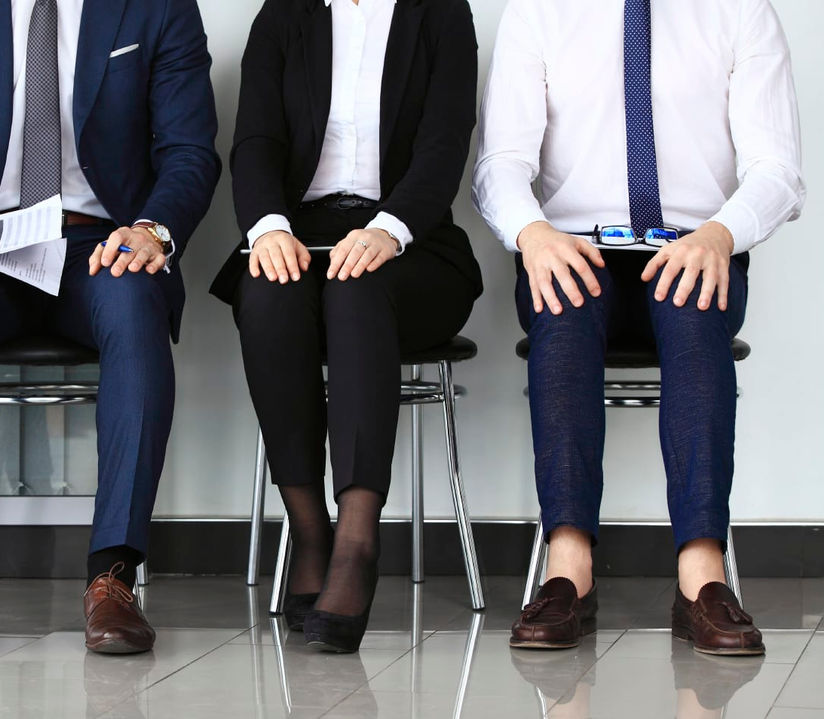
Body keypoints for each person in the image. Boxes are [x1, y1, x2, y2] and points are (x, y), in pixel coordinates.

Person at [0, 0, 220, 656]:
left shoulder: (158, 8)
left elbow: (189, 152)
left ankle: (113, 577)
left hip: (99, 241)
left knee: (134, 301)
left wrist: (150, 230)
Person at [473, 0, 805, 655]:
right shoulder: (538, 11)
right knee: (563, 315)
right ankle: (567, 568)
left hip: (694, 245)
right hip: (572, 243)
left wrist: (719, 235)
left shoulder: (741, 11)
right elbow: (501, 161)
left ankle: (701, 576)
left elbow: (777, 168)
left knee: (693, 312)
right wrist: (533, 234)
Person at [211, 0, 483, 653]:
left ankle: (358, 538)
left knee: (357, 284)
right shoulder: (283, 15)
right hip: (301, 237)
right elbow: (254, 143)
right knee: (269, 295)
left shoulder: (441, 13)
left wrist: (388, 230)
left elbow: (445, 143)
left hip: (413, 246)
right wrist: (269, 228)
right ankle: (310, 529)